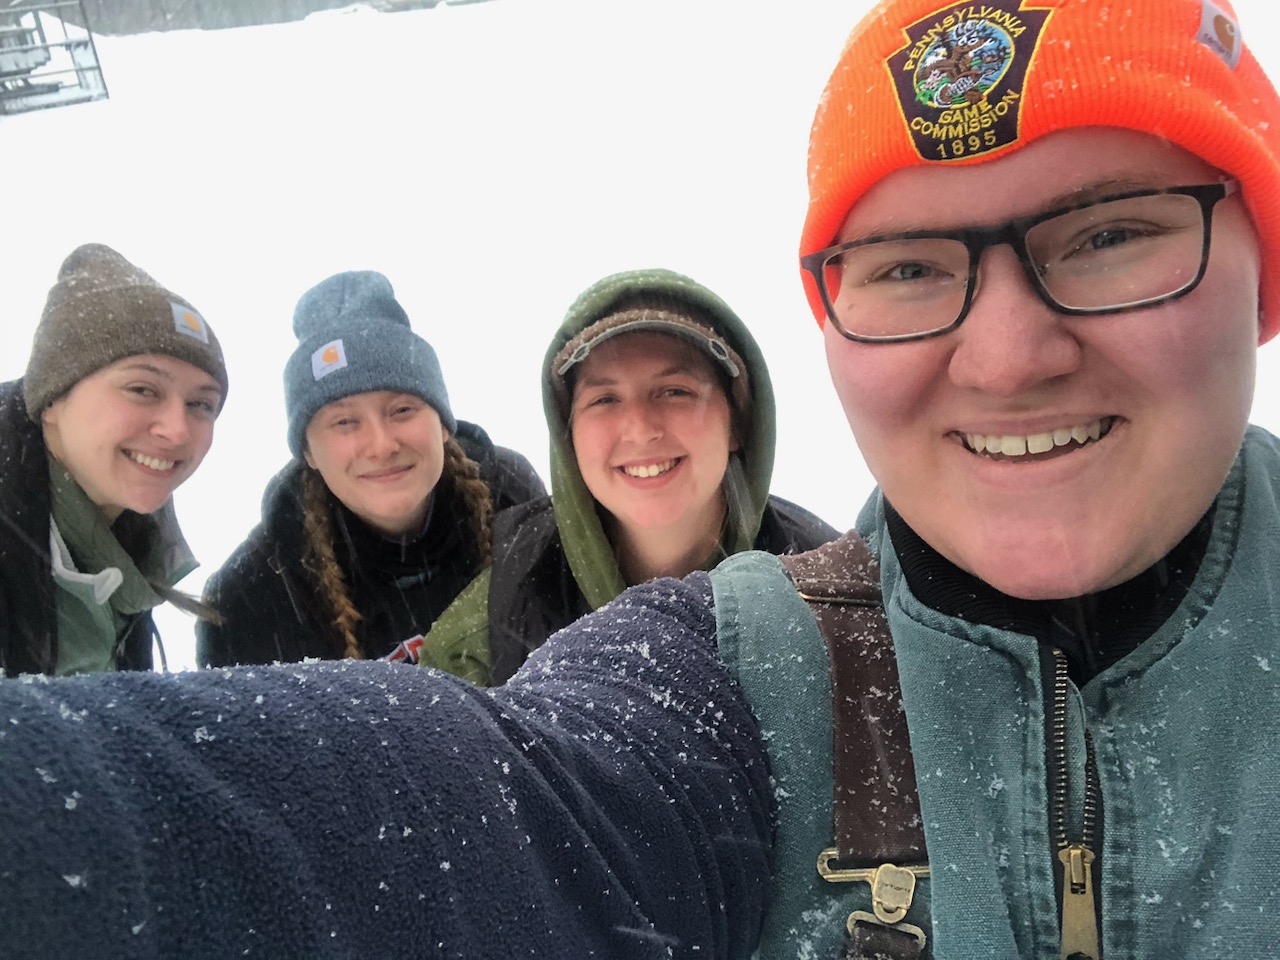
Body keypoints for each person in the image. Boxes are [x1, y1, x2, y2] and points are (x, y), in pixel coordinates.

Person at [1, 0, 1278, 957]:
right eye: (907, 266)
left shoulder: (781, 544)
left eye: (1109, 233)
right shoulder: (744, 660)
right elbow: (485, 797)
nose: (1002, 357)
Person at [424, 267, 838, 685]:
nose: (640, 429)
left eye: (675, 391)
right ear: (570, 440)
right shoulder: (498, 622)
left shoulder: (832, 592)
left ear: (738, 423)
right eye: (605, 399)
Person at [195, 270, 545, 671]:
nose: (381, 445)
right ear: (307, 449)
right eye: (344, 422)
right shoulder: (249, 598)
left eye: (402, 410)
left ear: (443, 424)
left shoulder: (511, 495)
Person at [0, 242, 227, 677]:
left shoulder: (128, 542)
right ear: (52, 399)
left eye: (201, 404)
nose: (177, 430)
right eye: (143, 390)